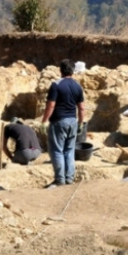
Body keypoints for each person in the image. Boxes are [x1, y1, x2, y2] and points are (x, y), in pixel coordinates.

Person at [41, 59, 86, 188]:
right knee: (69, 150)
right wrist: (81, 123)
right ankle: (69, 179)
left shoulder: (56, 85)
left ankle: (60, 180)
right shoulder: (78, 86)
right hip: (73, 121)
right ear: (73, 71)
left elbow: (51, 105)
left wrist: (44, 121)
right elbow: (82, 108)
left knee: (57, 150)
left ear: (60, 70)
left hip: (58, 122)